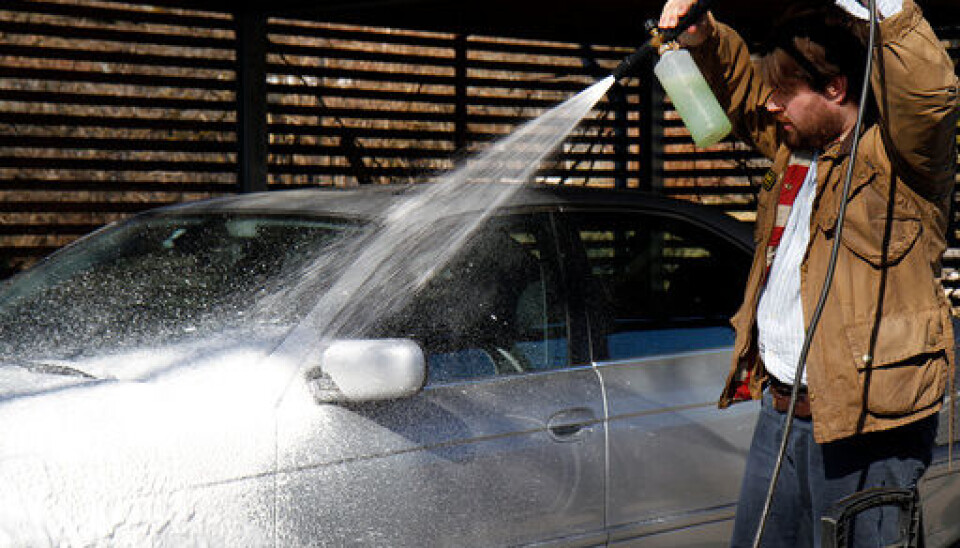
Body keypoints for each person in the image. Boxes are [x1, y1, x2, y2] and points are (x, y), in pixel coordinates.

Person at [657, 0, 959, 545]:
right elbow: (748, 96)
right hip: (782, 412)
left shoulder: (903, 162)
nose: (770, 108)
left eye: (785, 94)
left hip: (869, 428)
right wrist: (707, 40)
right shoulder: (795, 151)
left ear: (836, 90)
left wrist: (884, 9)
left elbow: (928, 97)